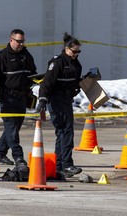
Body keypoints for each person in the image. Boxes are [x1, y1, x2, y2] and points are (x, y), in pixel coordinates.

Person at [0, 29, 37, 175]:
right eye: (18, 41)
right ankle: (18, 157)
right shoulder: (2, 57)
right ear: (11, 40)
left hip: (22, 97)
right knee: (11, 128)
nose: (21, 44)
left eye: (23, 41)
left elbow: (32, 73)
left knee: (14, 127)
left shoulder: (26, 56)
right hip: (7, 98)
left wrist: (35, 84)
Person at [37, 32, 83, 178]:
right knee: (66, 130)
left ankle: (59, 165)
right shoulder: (56, 63)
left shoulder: (76, 64)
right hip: (55, 100)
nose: (76, 54)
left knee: (63, 132)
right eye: (74, 51)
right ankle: (66, 164)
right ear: (66, 49)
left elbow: (74, 83)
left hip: (66, 100)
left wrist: (85, 81)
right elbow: (46, 83)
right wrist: (42, 100)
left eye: (78, 52)